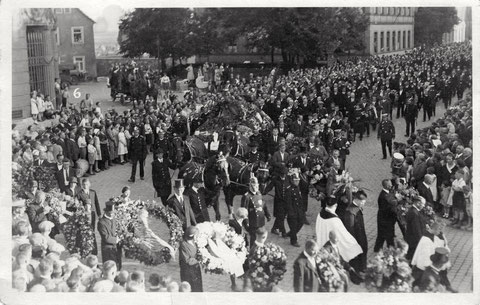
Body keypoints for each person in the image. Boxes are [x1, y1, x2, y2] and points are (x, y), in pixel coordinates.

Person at [315, 194, 362, 264]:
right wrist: (354, 244)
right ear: (336, 205)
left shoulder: (320, 214)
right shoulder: (335, 220)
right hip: (331, 246)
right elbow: (343, 235)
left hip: (321, 242)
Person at [343, 189, 368, 274]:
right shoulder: (350, 212)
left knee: (363, 250)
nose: (363, 203)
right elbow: (350, 229)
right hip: (356, 238)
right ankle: (357, 271)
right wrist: (354, 243)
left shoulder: (357, 207)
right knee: (357, 256)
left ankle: (362, 267)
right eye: (362, 201)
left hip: (361, 235)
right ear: (357, 200)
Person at [241, 176, 271, 246]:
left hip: (260, 220)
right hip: (252, 221)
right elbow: (244, 211)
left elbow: (263, 205)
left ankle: (260, 250)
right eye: (254, 185)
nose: (256, 186)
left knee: (262, 236)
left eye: (257, 184)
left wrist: (267, 214)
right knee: (254, 239)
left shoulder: (259, 194)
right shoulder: (246, 196)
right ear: (250, 185)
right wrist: (246, 223)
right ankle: (252, 252)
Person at [263, 166, 289, 237]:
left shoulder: (288, 179)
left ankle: (274, 228)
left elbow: (292, 187)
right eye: (282, 174)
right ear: (280, 174)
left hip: (286, 201)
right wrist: (264, 191)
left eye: (284, 174)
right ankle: (283, 232)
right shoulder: (275, 179)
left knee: (281, 216)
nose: (283, 175)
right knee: (281, 216)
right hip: (278, 201)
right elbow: (270, 186)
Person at [374, 179, 398, 252]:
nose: (391, 185)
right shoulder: (383, 196)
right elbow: (387, 208)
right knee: (388, 236)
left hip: (387, 218)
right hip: (385, 219)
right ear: (386, 186)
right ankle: (391, 249)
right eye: (390, 184)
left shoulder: (388, 192)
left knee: (382, 235)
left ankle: (377, 249)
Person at [97, 200, 122, 270]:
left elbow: (117, 230)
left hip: (116, 248)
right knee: (109, 268)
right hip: (107, 249)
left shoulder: (114, 218)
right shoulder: (101, 222)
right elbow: (105, 237)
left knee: (118, 267)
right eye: (110, 213)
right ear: (106, 212)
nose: (112, 214)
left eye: (113, 213)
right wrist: (116, 240)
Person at [179, 226, 203, 292]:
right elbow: (187, 260)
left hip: (196, 270)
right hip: (188, 272)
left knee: (198, 288)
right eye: (196, 235)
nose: (197, 236)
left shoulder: (194, 242)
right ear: (192, 235)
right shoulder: (183, 245)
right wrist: (198, 260)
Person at [285, 173, 305, 247]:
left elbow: (300, 200)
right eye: (295, 180)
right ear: (292, 181)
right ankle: (293, 240)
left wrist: (302, 210)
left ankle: (291, 233)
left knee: (301, 222)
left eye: (298, 180)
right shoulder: (289, 189)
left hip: (298, 210)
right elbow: (288, 203)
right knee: (293, 225)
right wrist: (290, 213)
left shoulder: (297, 188)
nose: (297, 182)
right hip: (292, 210)